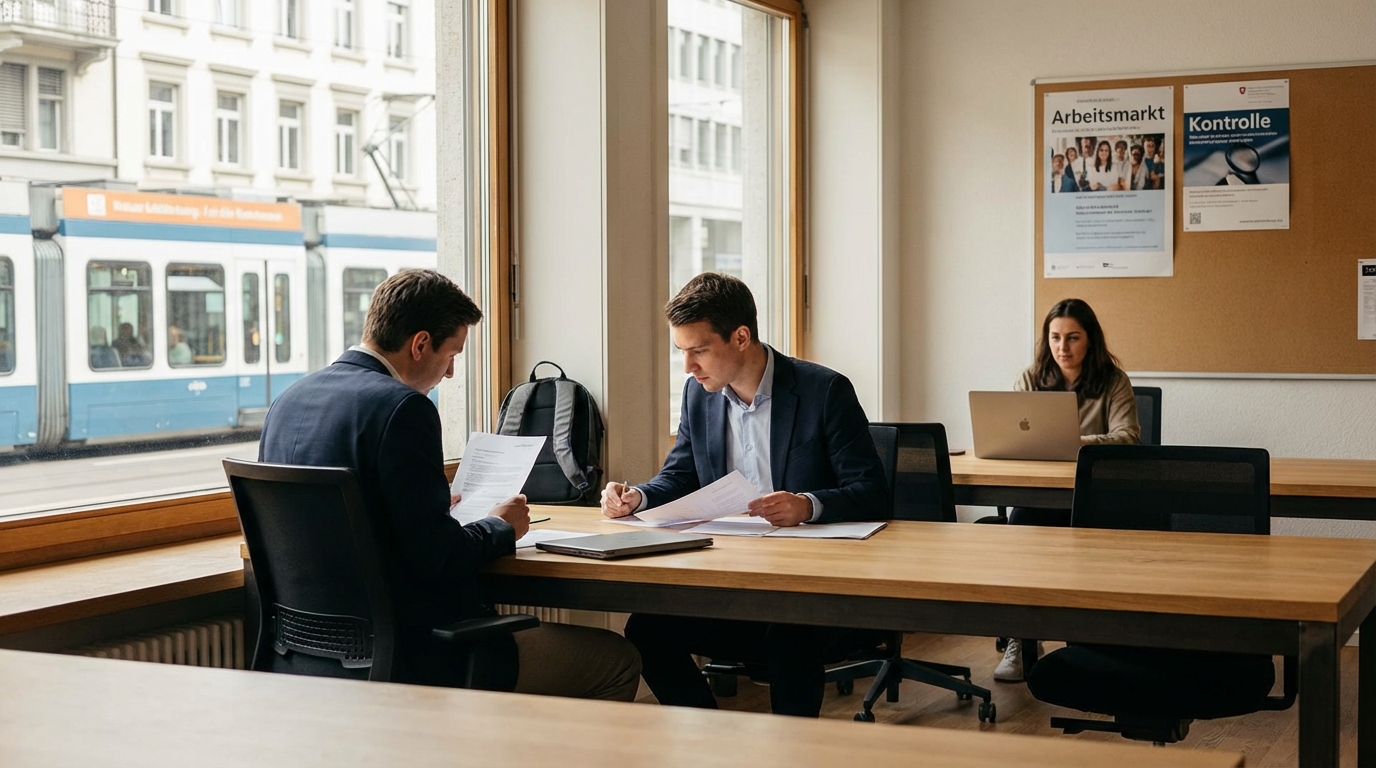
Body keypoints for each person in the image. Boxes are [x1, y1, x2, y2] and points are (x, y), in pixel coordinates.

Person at [259, 269, 640, 699]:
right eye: (452, 354)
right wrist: (501, 525)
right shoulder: (403, 408)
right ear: (420, 344)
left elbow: (357, 518)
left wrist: (433, 509)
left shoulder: (286, 402)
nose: (452, 372)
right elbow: (436, 558)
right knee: (617, 661)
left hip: (305, 656)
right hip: (418, 655)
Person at [602, 272, 889, 718]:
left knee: (790, 638)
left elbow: (872, 492)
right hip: (734, 574)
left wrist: (807, 506)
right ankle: (710, 736)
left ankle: (792, 754)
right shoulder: (699, 395)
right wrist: (636, 498)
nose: (688, 367)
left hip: (813, 585)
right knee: (648, 630)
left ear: (740, 337)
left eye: (698, 350)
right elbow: (680, 476)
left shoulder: (824, 390)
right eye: (682, 352)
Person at [993, 298, 1139, 683]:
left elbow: (1129, 437)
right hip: (1040, 496)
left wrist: (1072, 441)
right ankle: (1022, 642)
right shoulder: (1030, 379)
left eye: (1073, 337)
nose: (1063, 347)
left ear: (1090, 340)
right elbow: (1011, 437)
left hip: (1093, 497)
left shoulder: (1113, 381)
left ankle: (1092, 644)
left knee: (1088, 540)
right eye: (1055, 337)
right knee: (1020, 527)